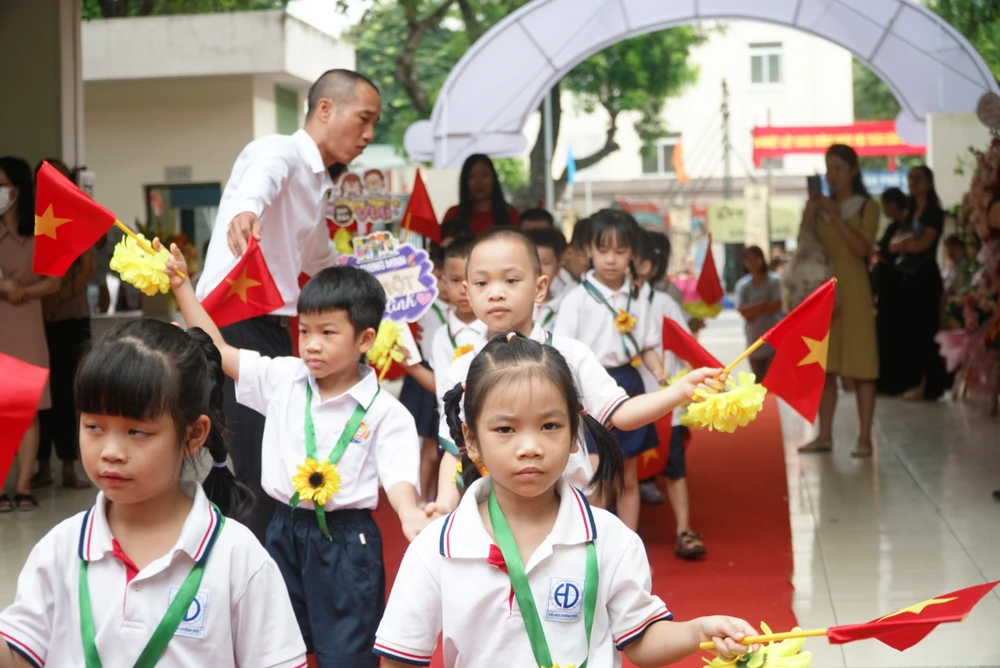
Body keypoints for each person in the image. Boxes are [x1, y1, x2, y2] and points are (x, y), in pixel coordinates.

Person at [373, 333, 756, 668]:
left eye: (550, 426)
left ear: (575, 434)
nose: (530, 446)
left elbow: (640, 639)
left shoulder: (610, 539)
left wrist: (699, 631)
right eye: (505, 429)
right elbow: (400, 658)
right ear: (471, 440)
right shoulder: (436, 548)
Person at [167, 243, 428, 667]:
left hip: (347, 542)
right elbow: (218, 350)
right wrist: (182, 286)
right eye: (305, 331)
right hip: (283, 529)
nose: (312, 345)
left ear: (365, 339)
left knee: (346, 653)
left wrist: (409, 512)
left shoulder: (385, 412)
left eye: (328, 333)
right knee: (274, 644)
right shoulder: (284, 378)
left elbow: (399, 475)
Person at [0, 319, 307, 666]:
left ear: (194, 434)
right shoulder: (60, 549)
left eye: (137, 432)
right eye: (94, 426)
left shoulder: (238, 558)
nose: (111, 452)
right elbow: (19, 657)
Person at [195, 69, 381, 540]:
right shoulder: (280, 150)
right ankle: (251, 568)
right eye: (364, 119)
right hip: (237, 322)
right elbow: (262, 177)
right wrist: (248, 209)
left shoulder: (318, 184)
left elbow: (320, 259)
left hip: (273, 330)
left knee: (274, 457)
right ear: (325, 109)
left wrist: (374, 287)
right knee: (258, 466)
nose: (369, 135)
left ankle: (266, 561)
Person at [429, 228, 722, 517]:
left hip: (568, 508)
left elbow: (621, 413)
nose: (495, 293)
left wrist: (679, 390)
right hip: (494, 513)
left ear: (540, 288)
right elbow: (454, 449)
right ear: (467, 292)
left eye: (511, 280)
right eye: (481, 283)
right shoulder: (462, 368)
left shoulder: (570, 355)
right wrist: (443, 504)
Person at [555, 209, 666, 530]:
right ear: (589, 250)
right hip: (587, 386)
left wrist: (660, 374)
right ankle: (595, 540)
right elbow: (561, 350)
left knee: (628, 473)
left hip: (628, 383)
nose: (611, 259)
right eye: (603, 250)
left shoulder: (637, 296)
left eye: (620, 251)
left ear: (633, 253)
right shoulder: (576, 298)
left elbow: (646, 344)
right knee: (595, 474)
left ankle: (628, 540)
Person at [798, 144, 879, 458]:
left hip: (855, 292)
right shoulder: (820, 208)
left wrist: (834, 214)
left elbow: (862, 249)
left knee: (862, 366)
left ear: (853, 171)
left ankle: (864, 437)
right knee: (824, 367)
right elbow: (805, 245)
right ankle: (825, 435)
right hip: (825, 294)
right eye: (828, 169)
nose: (832, 176)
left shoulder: (866, 207)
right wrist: (811, 212)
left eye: (839, 169)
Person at [634, 229, 707, 560]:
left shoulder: (663, 303)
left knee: (674, 466)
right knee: (621, 470)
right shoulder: (604, 304)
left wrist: (695, 387)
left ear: (647, 266)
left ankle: (684, 530)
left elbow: (683, 344)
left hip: (665, 398)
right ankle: (623, 537)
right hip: (623, 397)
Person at [0, 157, 61, 511]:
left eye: (2, 184)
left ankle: (22, 486)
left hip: (26, 326)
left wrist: (23, 290)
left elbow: (53, 283)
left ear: (19, 190)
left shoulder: (40, 232)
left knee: (27, 411)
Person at [32, 158, 93, 491]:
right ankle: (42, 466)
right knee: (43, 396)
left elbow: (87, 270)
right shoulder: (33, 218)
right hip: (38, 321)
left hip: (72, 319)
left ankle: (70, 466)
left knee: (71, 394)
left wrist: (58, 296)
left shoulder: (80, 214)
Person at [891, 166, 947, 401]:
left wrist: (907, 243)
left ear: (928, 182)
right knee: (910, 332)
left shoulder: (934, 212)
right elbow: (893, 245)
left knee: (927, 331)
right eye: (910, 178)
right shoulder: (909, 212)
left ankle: (929, 384)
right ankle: (914, 380)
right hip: (907, 277)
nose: (912, 182)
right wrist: (908, 240)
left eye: (917, 178)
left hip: (925, 277)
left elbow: (923, 244)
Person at [399, 244, 450, 504]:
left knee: (447, 449)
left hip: (451, 376)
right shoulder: (426, 306)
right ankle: (421, 500)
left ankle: (441, 498)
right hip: (429, 376)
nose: (445, 285)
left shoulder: (469, 310)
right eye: (439, 277)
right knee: (430, 447)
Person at [431, 240, 488, 407]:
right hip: (451, 421)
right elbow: (441, 388)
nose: (464, 290)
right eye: (455, 280)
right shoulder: (441, 335)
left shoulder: (496, 330)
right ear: (444, 282)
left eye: (474, 281)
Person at [874, 187, 913, 395]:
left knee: (896, 335)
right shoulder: (894, 227)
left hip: (899, 289)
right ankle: (888, 380)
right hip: (888, 289)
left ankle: (897, 381)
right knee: (887, 335)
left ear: (893, 204)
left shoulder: (907, 226)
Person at [734, 246, 783, 380]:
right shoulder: (742, 286)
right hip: (753, 337)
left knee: (771, 379)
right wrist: (763, 304)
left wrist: (753, 310)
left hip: (774, 337)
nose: (752, 263)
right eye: (748, 260)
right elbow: (743, 311)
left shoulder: (774, 281)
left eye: (755, 259)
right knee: (758, 380)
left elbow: (776, 306)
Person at [442, 154, 520, 235]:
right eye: (472, 177)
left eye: (484, 176)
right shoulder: (453, 214)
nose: (478, 182)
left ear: (494, 179)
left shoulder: (510, 214)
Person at [526, 226, 568, 333]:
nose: (539, 269)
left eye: (546, 263)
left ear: (558, 267)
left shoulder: (566, 306)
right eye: (534, 262)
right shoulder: (513, 305)